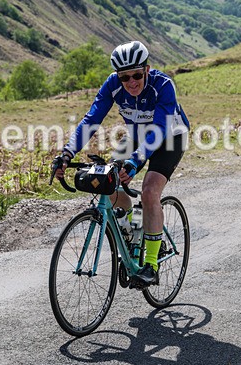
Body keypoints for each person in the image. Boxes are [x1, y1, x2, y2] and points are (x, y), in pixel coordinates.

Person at [54, 40, 190, 288]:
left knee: (149, 192)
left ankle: (151, 264)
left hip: (170, 137)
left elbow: (159, 129)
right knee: (109, 181)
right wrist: (66, 153)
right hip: (136, 136)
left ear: (147, 69)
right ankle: (131, 226)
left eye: (137, 75)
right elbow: (91, 120)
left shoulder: (163, 86)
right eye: (124, 77)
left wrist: (136, 160)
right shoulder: (113, 85)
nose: (131, 82)